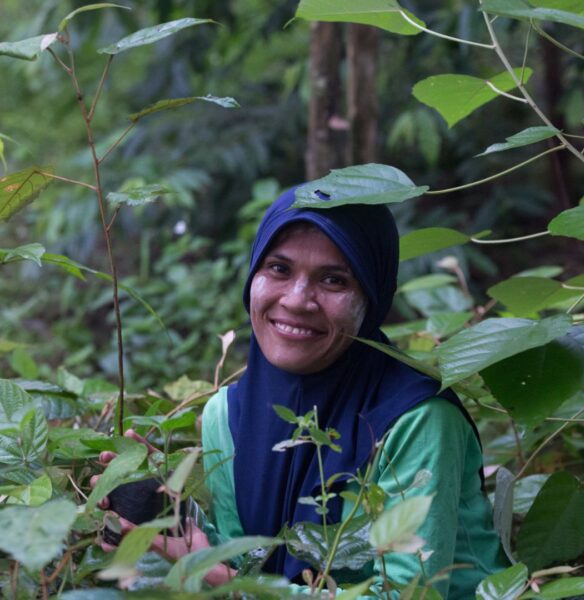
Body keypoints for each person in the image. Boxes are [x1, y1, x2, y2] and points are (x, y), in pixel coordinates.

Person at [98, 186, 507, 598]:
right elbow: (249, 564)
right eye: (279, 269)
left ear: (373, 297)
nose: (296, 300)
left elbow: (411, 595)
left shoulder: (414, 418)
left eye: (334, 279)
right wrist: (172, 512)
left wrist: (224, 580)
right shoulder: (229, 414)